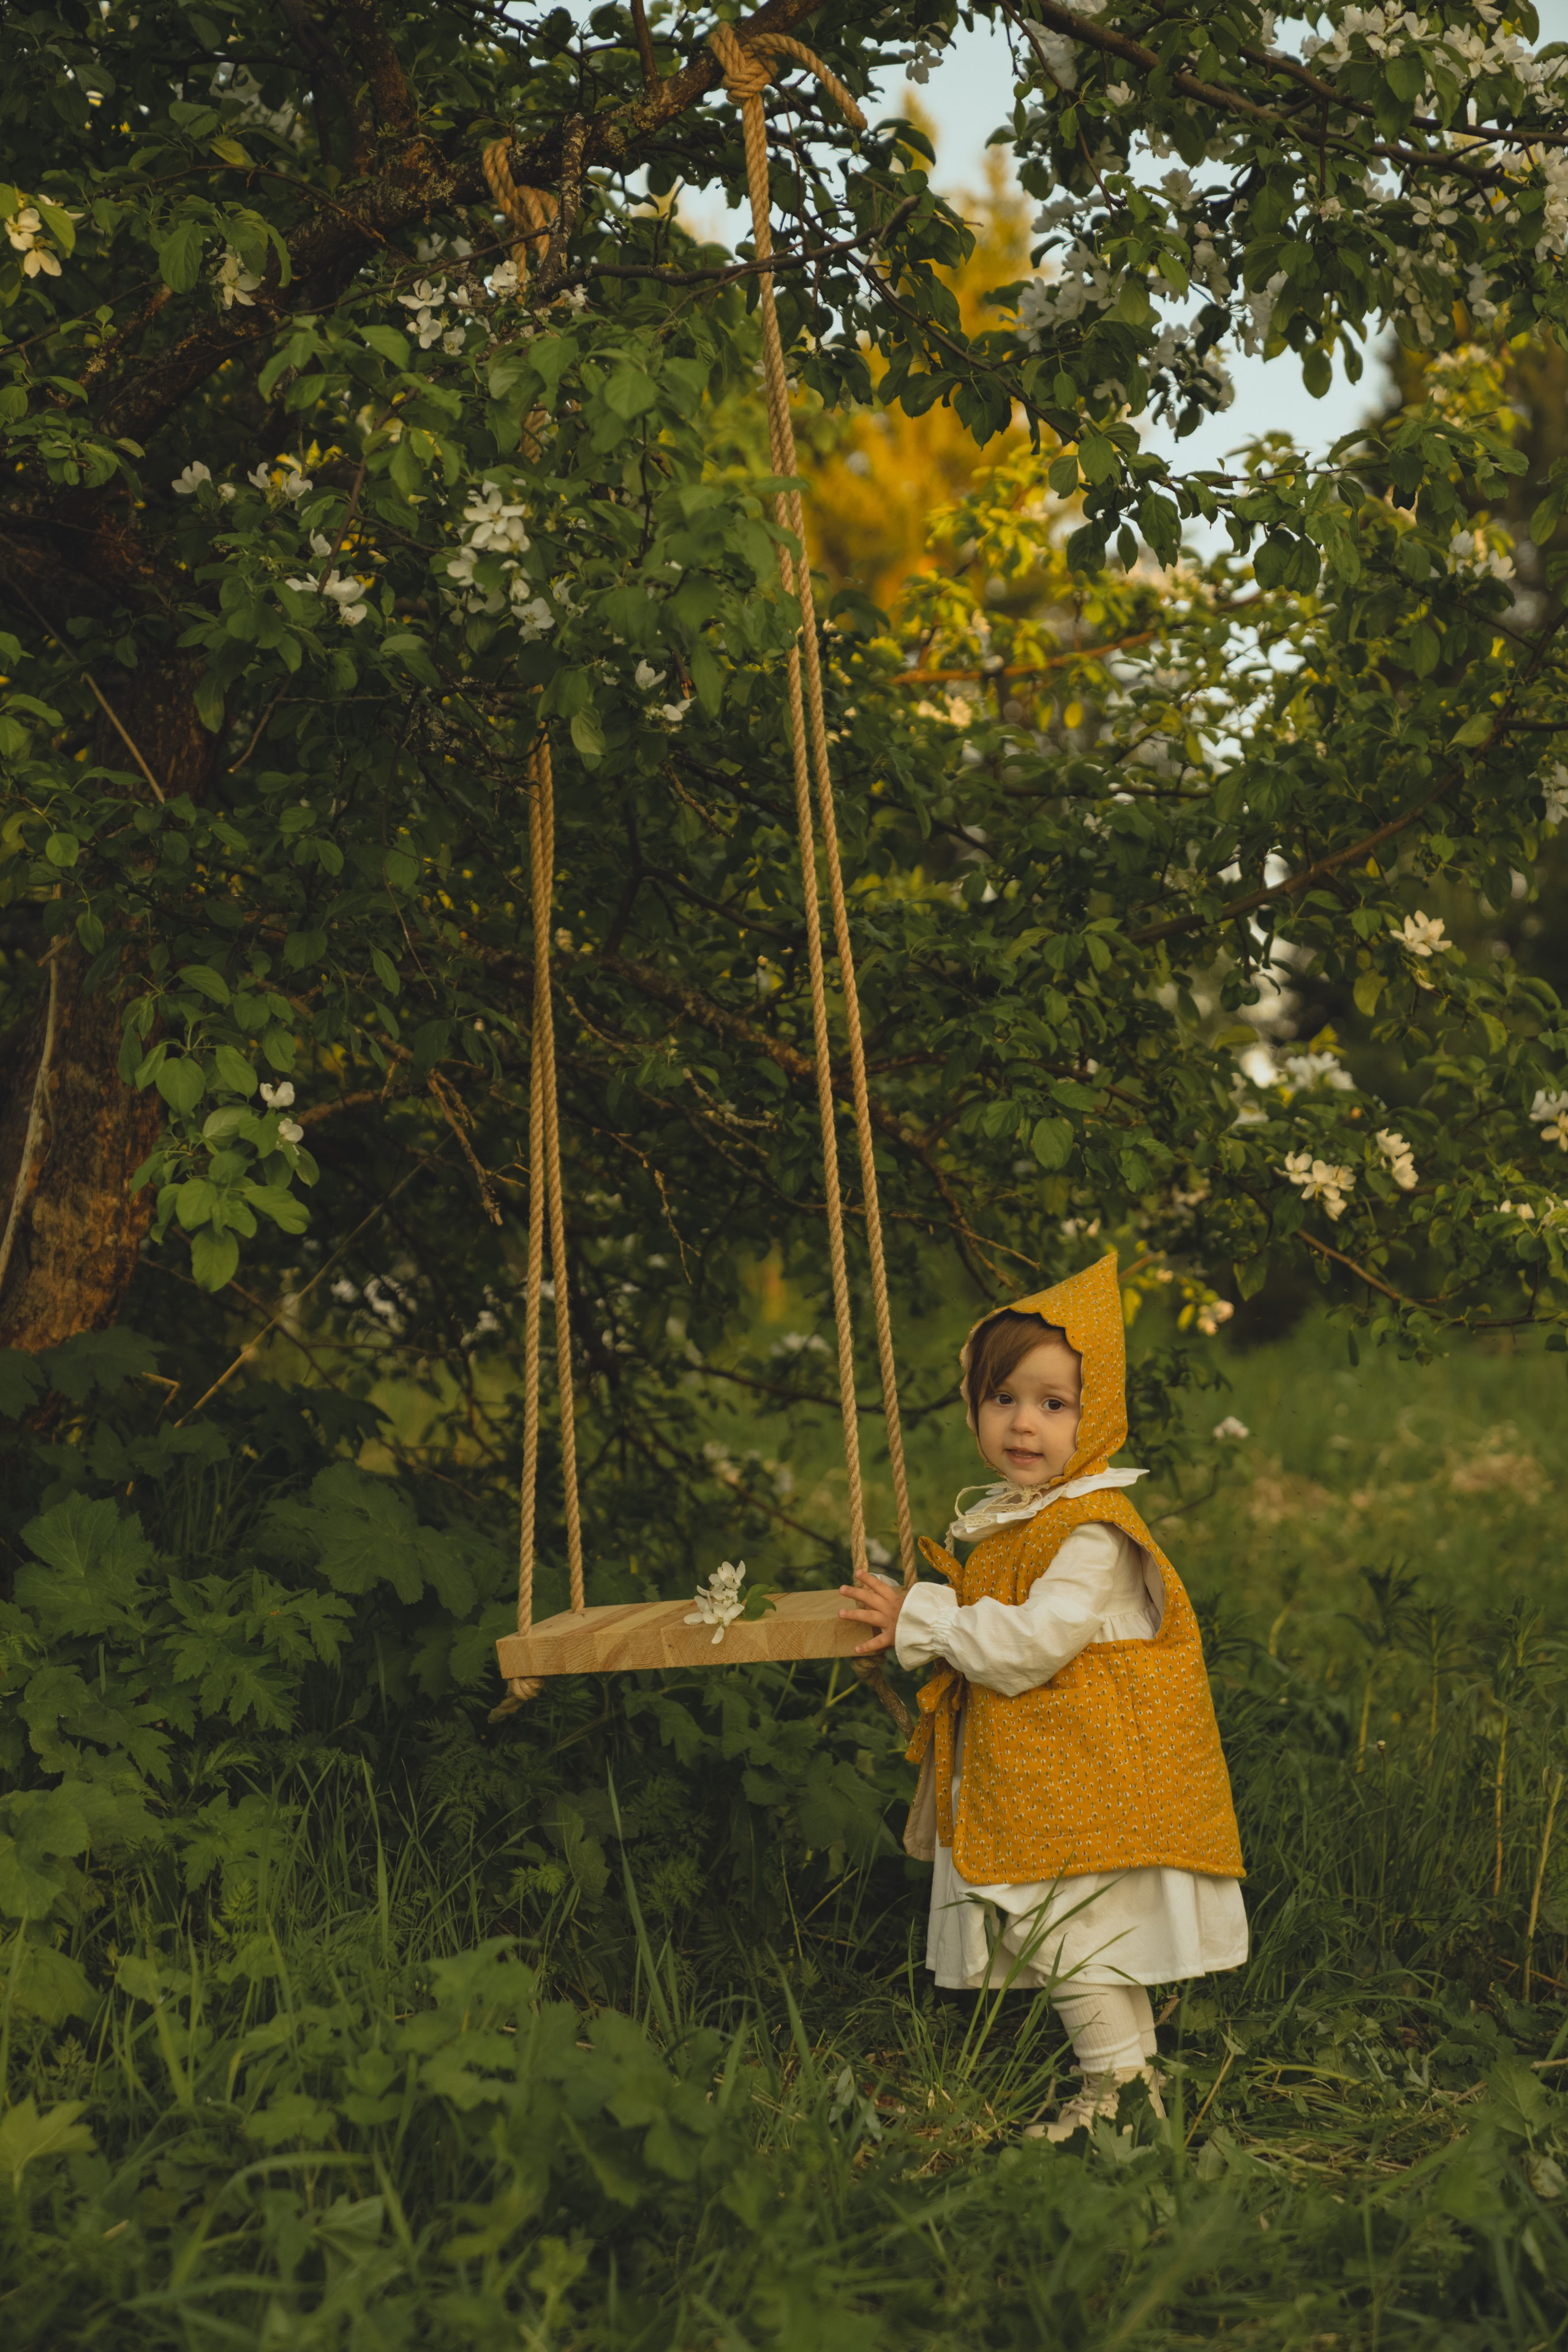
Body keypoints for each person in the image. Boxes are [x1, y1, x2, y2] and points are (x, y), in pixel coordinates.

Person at [839, 1251, 1246, 2141]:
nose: (1024, 1424)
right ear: (976, 1405)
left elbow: (1035, 1645)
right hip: (1062, 1767)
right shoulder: (1022, 1515)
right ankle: (1130, 2092)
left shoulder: (1092, 1527)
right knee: (1079, 1932)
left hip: (1095, 1771)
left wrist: (927, 1617)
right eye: (1004, 1399)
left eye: (1054, 1405)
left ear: (1092, 1417)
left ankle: (1111, 2094)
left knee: (1066, 1932)